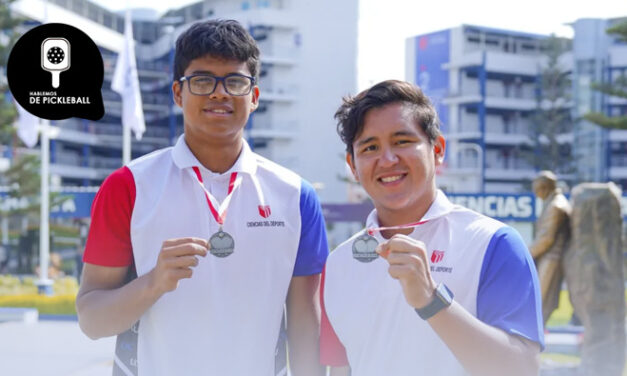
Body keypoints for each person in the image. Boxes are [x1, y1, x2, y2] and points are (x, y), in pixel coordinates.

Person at [76, 19, 328, 376]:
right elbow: (92, 320)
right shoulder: (128, 186)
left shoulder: (296, 196)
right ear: (178, 93)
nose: (219, 93)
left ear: (254, 97)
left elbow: (306, 322)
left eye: (235, 82)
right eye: (203, 81)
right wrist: (152, 283)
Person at [320, 80, 544, 376]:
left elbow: (522, 369)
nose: (387, 160)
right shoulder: (339, 263)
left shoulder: (493, 243)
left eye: (402, 141)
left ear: (437, 149)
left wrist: (431, 300)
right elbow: (342, 368)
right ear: (353, 165)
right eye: (370, 147)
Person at [530, 171, 571, 324]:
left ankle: (535, 334)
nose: (535, 194)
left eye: (537, 190)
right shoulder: (552, 202)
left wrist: (525, 254)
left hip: (552, 258)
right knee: (543, 300)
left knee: (541, 299)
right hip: (549, 257)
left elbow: (546, 239)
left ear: (544, 188)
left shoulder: (556, 206)